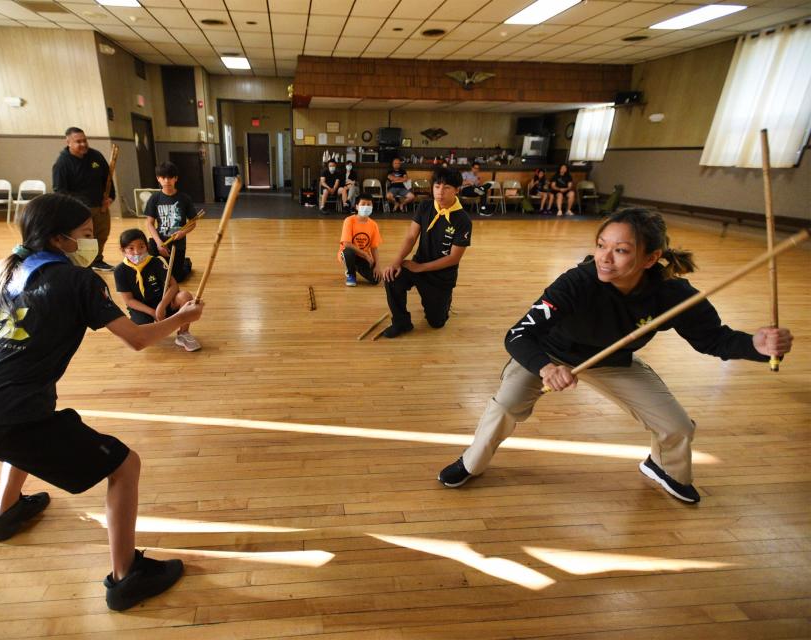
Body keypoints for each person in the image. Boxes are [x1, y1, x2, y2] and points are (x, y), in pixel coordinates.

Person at [0, 193, 204, 611]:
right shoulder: (80, 281)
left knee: (28, 429)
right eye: (86, 235)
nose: (91, 243)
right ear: (59, 240)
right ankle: (127, 576)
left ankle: (7, 513)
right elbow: (137, 338)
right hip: (6, 413)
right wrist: (182, 319)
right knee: (124, 465)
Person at [438, 208, 794, 504]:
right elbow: (518, 334)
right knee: (504, 407)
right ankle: (471, 463)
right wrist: (546, 367)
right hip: (549, 354)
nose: (604, 258)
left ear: (651, 258)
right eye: (601, 245)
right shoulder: (577, 282)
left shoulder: (672, 294)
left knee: (677, 427)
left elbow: (713, 339)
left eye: (621, 250)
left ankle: (663, 467)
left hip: (611, 362)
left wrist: (756, 345)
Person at [380, 167, 471, 338]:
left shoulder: (463, 220)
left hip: (441, 276)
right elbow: (411, 236)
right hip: (418, 265)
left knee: (436, 323)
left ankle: (445, 301)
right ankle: (401, 322)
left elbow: (453, 258)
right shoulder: (425, 206)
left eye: (446, 188)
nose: (440, 192)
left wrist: (420, 268)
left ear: (457, 190)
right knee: (391, 277)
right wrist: (396, 262)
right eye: (437, 186)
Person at [114, 228, 200, 351]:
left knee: (185, 296)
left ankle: (183, 334)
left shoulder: (155, 262)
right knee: (141, 332)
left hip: (163, 301)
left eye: (141, 246)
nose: (137, 252)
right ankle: (151, 325)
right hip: (141, 307)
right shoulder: (120, 271)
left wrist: (161, 306)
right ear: (123, 250)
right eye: (131, 248)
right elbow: (129, 301)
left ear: (147, 247)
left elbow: (174, 286)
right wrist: (152, 312)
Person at [52, 126, 115, 271]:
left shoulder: (96, 156)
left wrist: (110, 197)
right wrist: (76, 206)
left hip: (100, 206)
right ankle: (82, 263)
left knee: (102, 234)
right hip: (79, 210)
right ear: (68, 142)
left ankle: (97, 260)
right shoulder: (62, 164)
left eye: (84, 140)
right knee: (84, 239)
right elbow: (59, 190)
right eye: (78, 142)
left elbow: (108, 178)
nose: (83, 144)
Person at [143, 162, 195, 282]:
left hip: (178, 243)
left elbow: (193, 222)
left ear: (175, 178)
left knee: (177, 278)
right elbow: (150, 223)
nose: (167, 181)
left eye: (170, 177)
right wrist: (158, 242)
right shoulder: (154, 198)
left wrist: (182, 233)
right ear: (158, 179)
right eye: (163, 177)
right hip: (159, 241)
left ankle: (186, 263)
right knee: (151, 271)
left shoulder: (184, 198)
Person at [338, 193, 382, 287]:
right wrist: (365, 255)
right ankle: (351, 274)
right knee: (349, 252)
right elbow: (346, 244)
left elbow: (374, 248)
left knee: (376, 279)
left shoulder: (373, 225)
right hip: (349, 253)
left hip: (362, 257)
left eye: (369, 204)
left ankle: (354, 266)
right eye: (363, 204)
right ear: (357, 207)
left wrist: (377, 265)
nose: (366, 206)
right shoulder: (349, 221)